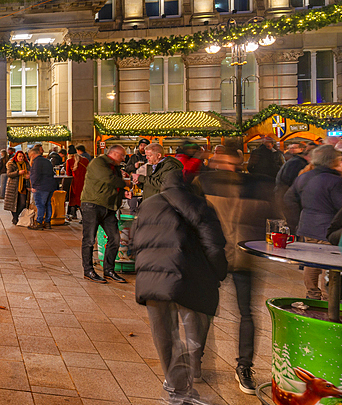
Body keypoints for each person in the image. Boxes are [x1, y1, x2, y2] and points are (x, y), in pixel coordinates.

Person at [133, 170, 228, 405]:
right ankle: (188, 375)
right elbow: (214, 245)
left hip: (151, 278)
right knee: (195, 328)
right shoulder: (200, 205)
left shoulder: (148, 204)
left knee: (163, 332)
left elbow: (133, 238)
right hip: (189, 276)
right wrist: (218, 274)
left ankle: (176, 387)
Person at [201, 147, 274, 395]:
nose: (227, 166)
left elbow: (276, 217)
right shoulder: (204, 182)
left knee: (246, 313)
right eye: (222, 161)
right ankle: (196, 358)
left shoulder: (256, 186)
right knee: (204, 308)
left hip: (244, 258)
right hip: (213, 256)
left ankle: (244, 365)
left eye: (231, 162)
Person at [284, 144, 342, 299]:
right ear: (331, 160)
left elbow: (288, 199)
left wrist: (297, 219)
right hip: (327, 228)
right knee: (328, 265)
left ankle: (312, 294)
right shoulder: (334, 181)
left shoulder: (304, 176)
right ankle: (329, 298)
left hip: (307, 226)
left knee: (311, 262)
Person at [80, 145, 129, 283]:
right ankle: (88, 270)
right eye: (122, 155)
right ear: (113, 153)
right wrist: (127, 184)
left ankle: (109, 270)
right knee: (89, 239)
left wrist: (124, 193)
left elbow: (114, 187)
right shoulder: (98, 162)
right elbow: (109, 180)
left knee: (115, 238)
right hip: (92, 205)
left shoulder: (116, 168)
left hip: (108, 207)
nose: (123, 158)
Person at [275, 140, 309, 214]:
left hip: (283, 193)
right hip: (287, 194)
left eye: (294, 148)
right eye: (290, 148)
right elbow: (289, 179)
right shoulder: (297, 162)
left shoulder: (294, 160)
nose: (291, 149)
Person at [28, 145, 57, 230]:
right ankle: (47, 222)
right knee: (48, 204)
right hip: (50, 185)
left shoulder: (37, 162)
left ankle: (39, 222)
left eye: (30, 156)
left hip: (40, 186)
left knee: (40, 204)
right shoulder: (47, 161)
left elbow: (35, 175)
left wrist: (33, 186)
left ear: (33, 155)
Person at [4, 150, 29, 225]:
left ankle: (16, 215)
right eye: (19, 156)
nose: (21, 158)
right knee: (13, 203)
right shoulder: (12, 164)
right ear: (16, 157)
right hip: (13, 186)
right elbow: (9, 174)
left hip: (23, 186)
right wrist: (18, 173)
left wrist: (28, 174)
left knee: (23, 203)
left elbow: (29, 172)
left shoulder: (26, 164)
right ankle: (15, 218)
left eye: (22, 156)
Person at [65, 147, 89, 222]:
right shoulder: (85, 160)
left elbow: (68, 174)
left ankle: (73, 215)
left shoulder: (69, 161)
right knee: (83, 199)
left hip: (75, 183)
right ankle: (85, 217)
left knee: (74, 199)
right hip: (86, 182)